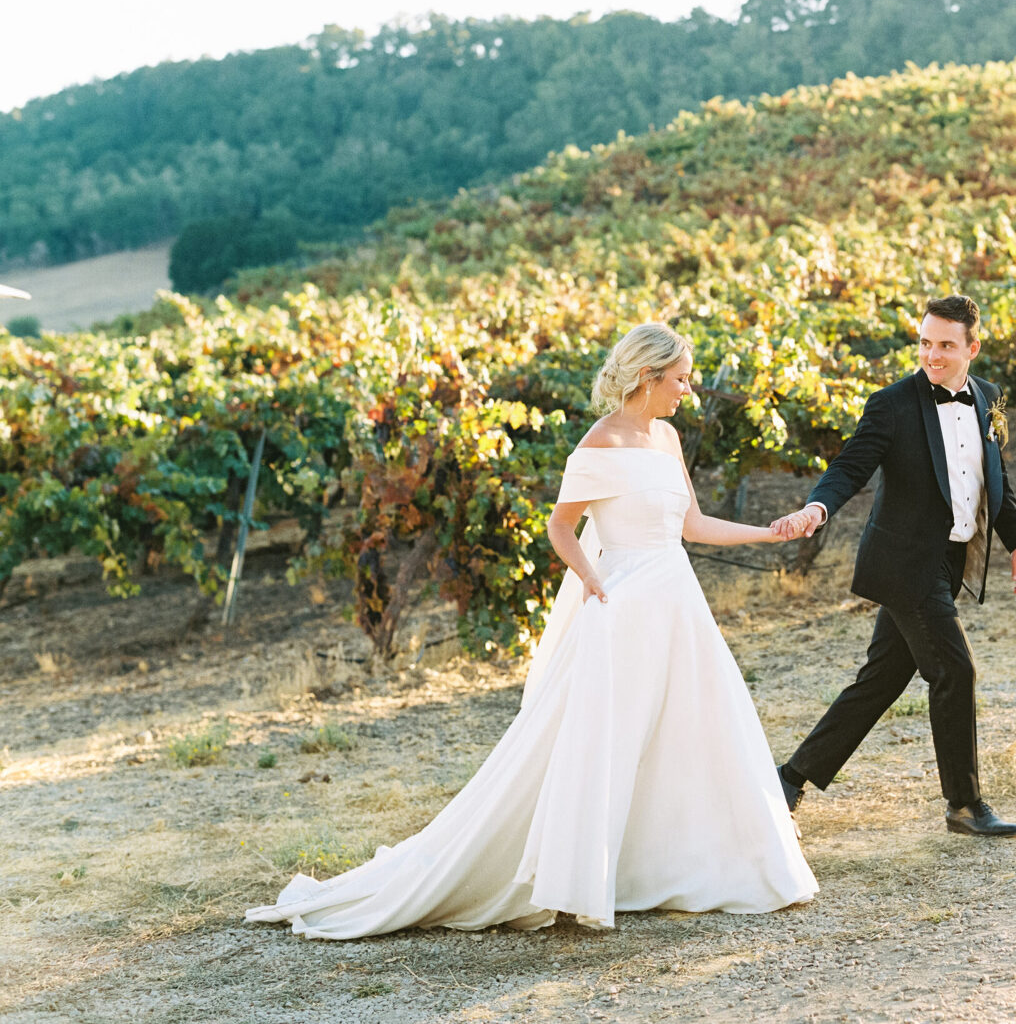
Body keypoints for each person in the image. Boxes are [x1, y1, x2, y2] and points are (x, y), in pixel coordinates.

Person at [246, 323, 817, 938]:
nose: (687, 389)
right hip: (622, 604)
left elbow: (693, 524)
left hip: (676, 602)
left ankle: (684, 864)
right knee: (606, 738)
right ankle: (574, 872)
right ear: (648, 378)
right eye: (679, 379)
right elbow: (561, 528)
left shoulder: (669, 437)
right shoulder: (599, 444)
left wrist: (768, 533)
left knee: (693, 726)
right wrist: (592, 578)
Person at [771, 294, 1016, 837]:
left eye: (945, 345)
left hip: (948, 560)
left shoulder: (988, 397)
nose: (932, 355)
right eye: (924, 342)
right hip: (903, 563)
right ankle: (964, 805)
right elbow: (850, 465)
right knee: (954, 669)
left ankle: (790, 779)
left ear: (972, 348)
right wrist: (817, 507)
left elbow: (995, 479)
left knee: (880, 680)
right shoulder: (892, 404)